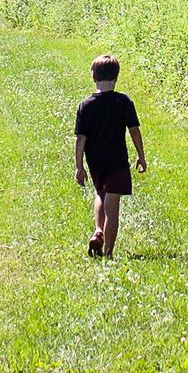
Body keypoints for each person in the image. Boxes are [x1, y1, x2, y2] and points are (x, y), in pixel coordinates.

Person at [73, 55, 142, 258]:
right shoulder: (124, 102)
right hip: (117, 161)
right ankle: (109, 253)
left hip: (95, 162)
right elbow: (134, 131)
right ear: (117, 77)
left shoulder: (85, 105)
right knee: (113, 209)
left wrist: (79, 166)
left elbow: (80, 139)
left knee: (100, 194)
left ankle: (98, 230)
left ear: (93, 77)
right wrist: (140, 155)